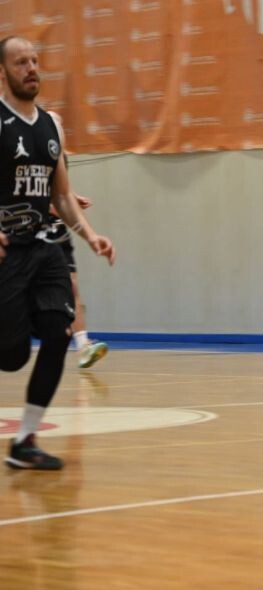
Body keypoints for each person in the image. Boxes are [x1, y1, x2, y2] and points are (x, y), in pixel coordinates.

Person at [0, 36, 116, 470]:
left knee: (57, 330)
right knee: (11, 356)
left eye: (35, 61)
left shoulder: (51, 125)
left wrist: (89, 234)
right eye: (20, 62)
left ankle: (25, 441)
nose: (31, 68)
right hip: (8, 251)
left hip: (44, 245)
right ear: (3, 73)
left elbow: (61, 194)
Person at [44, 112, 109, 369]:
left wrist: (71, 198)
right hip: (30, 229)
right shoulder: (28, 147)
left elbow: (60, 191)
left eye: (61, 125)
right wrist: (58, 206)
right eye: (55, 125)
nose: (59, 129)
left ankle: (83, 345)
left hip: (57, 229)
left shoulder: (59, 154)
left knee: (72, 285)